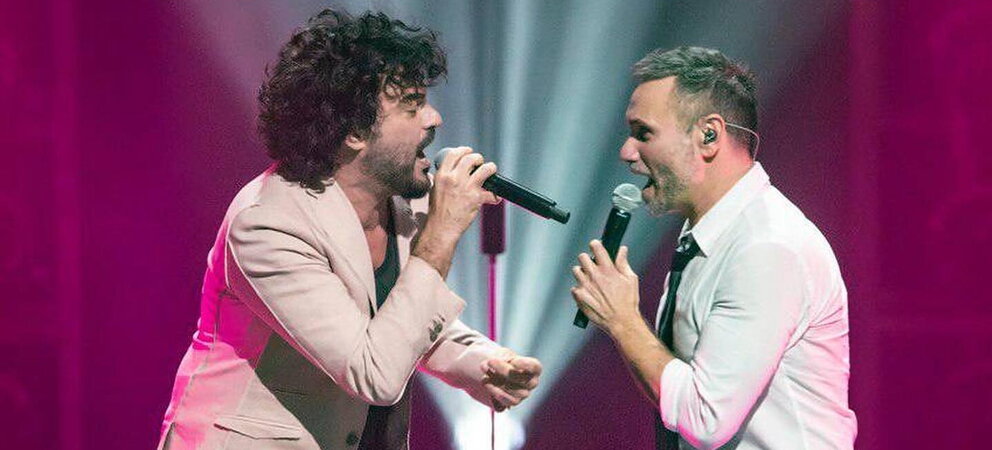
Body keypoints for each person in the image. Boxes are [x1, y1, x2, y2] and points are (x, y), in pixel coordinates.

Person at [157, 9, 542, 450]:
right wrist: (442, 232)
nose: (434, 118)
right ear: (354, 131)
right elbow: (372, 371)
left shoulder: (402, 200)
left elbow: (400, 319)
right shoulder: (268, 225)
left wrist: (483, 364)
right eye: (413, 105)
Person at [569, 46, 857, 449]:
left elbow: (705, 418)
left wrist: (623, 320)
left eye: (643, 133)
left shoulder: (766, 248)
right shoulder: (712, 237)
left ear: (709, 135)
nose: (627, 152)